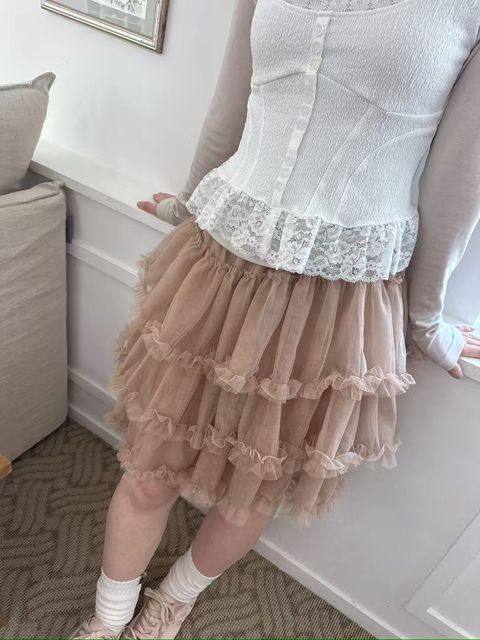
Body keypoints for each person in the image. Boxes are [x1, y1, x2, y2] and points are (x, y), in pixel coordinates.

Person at [71, 0, 480, 638]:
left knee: (253, 488)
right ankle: (107, 619)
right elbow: (231, 105)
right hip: (217, 263)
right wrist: (188, 203)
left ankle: (174, 600)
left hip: (338, 297)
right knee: (151, 466)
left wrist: (425, 320)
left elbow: (458, 178)